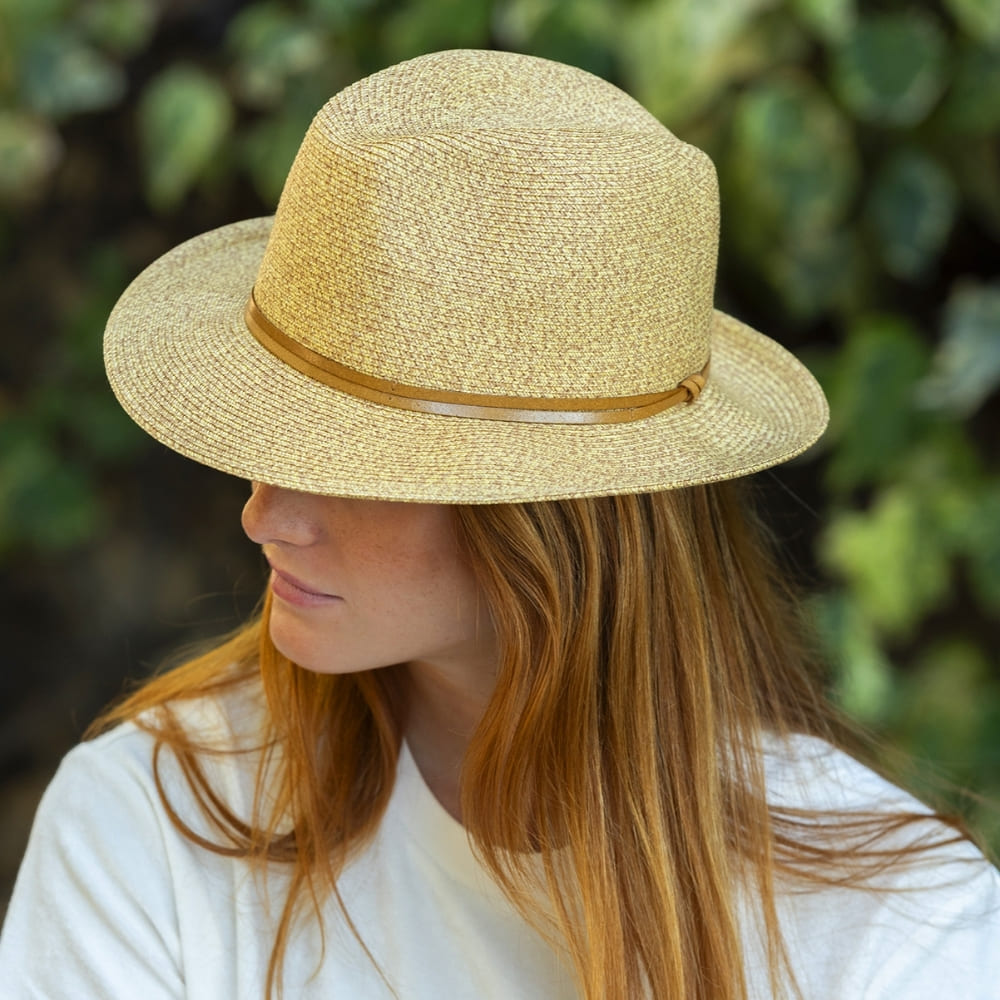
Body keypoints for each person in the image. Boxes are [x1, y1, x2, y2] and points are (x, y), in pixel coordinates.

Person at [0, 48, 997, 1000]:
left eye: (353, 459)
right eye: (281, 434)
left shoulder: (892, 930)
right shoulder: (156, 823)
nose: (265, 513)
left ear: (558, 521)